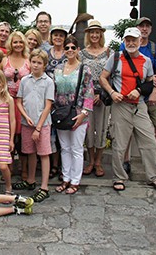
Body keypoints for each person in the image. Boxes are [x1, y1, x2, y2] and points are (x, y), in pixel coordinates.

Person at [100, 27, 156, 192]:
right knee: (120, 144)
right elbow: (103, 77)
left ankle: (154, 177)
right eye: (128, 40)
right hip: (120, 105)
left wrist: (139, 90)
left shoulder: (146, 61)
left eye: (134, 40)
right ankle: (119, 177)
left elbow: (151, 81)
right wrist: (112, 92)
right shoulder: (115, 58)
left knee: (149, 141)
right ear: (124, 41)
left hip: (139, 105)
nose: (131, 43)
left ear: (139, 41)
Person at [119, 16, 156, 174]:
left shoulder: (154, 49)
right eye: (141, 26)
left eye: (147, 26)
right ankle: (126, 159)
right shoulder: (124, 47)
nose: (144, 29)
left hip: (149, 93)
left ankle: (153, 158)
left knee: (155, 126)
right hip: (129, 97)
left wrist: (154, 92)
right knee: (127, 131)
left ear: (150, 29)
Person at [53, 36, 94, 195]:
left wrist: (83, 114)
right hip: (61, 114)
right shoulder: (58, 69)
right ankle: (66, 177)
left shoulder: (84, 69)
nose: (70, 50)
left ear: (77, 50)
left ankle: (75, 180)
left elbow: (89, 93)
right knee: (64, 148)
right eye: (67, 47)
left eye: (73, 47)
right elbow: (54, 92)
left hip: (78, 114)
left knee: (77, 148)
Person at [13, 49, 54, 202]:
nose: (35, 65)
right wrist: (25, 116)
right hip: (27, 123)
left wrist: (38, 127)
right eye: (33, 62)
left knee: (43, 153)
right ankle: (30, 180)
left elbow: (48, 106)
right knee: (30, 152)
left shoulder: (48, 81)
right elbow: (19, 101)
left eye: (39, 63)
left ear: (44, 65)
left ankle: (44, 187)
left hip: (42, 125)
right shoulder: (25, 80)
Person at [79, 20, 111, 178]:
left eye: (97, 32)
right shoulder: (82, 53)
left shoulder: (109, 52)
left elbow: (111, 74)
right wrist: (91, 94)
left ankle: (98, 161)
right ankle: (90, 161)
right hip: (87, 95)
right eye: (92, 32)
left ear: (101, 34)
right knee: (89, 130)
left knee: (102, 128)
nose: (94, 35)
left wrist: (102, 93)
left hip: (104, 94)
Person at [2, 31, 31, 184]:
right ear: (10, 44)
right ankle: (9, 166)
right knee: (9, 135)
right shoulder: (4, 60)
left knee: (24, 136)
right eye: (15, 42)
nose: (18, 45)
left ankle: (24, 168)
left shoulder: (28, 60)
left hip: (24, 102)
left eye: (20, 42)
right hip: (7, 102)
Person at [45, 27, 68, 180]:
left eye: (61, 35)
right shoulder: (47, 54)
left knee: (63, 134)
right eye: (56, 35)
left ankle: (63, 166)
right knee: (51, 134)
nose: (58, 38)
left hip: (65, 99)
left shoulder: (69, 53)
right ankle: (53, 165)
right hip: (48, 98)